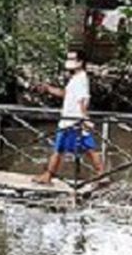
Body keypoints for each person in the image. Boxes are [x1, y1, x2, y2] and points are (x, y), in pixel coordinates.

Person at [34, 50, 105, 184]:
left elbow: (83, 100)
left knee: (61, 149)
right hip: (71, 119)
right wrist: (49, 89)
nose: (69, 62)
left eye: (72, 59)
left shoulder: (81, 79)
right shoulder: (76, 78)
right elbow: (66, 94)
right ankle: (101, 175)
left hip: (73, 121)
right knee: (86, 149)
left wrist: (84, 118)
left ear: (80, 62)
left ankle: (48, 176)